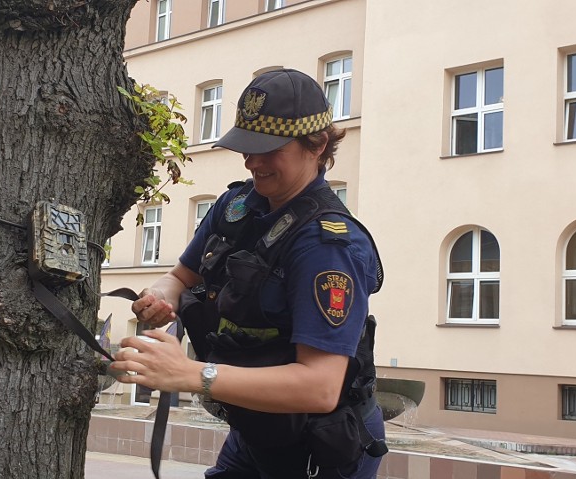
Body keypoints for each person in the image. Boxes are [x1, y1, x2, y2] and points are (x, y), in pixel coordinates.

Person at [110, 69, 385, 479]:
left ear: (318, 144)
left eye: (268, 149)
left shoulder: (328, 246)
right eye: (246, 146)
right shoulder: (236, 206)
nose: (252, 161)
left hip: (321, 447)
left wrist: (191, 374)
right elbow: (181, 276)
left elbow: (321, 387)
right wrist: (161, 296)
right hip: (257, 426)